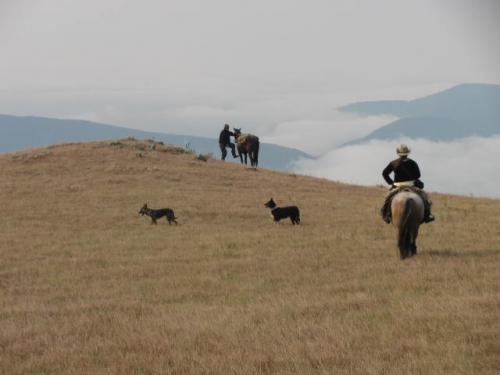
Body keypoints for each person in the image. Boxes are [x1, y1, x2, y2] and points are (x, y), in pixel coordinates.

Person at [380, 144, 435, 224]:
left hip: (397, 186)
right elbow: (418, 175)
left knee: (387, 199)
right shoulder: (413, 163)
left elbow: (384, 173)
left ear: (398, 153)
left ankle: (386, 214)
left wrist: (391, 183)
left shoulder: (393, 163)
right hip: (411, 186)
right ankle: (428, 215)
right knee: (425, 198)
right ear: (407, 153)